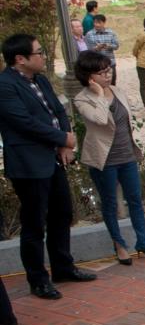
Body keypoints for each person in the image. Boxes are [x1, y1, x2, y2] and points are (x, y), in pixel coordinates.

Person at [0, 35, 95, 300]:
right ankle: (38, 279)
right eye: (39, 52)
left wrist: (66, 142)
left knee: (62, 214)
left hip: (54, 159)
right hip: (28, 165)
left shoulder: (40, 80)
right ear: (20, 59)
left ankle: (63, 267)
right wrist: (61, 138)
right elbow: (24, 123)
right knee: (34, 223)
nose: (44, 56)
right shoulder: (5, 86)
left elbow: (58, 111)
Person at [72, 51, 145, 266]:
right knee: (110, 203)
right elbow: (99, 119)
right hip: (104, 159)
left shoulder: (117, 91)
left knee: (135, 200)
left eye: (109, 69)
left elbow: (128, 120)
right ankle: (119, 245)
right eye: (101, 72)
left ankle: (144, 242)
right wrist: (98, 95)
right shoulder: (82, 98)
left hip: (127, 155)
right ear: (89, 77)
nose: (107, 75)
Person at [84, 14, 120, 84]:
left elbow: (116, 46)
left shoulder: (111, 33)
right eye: (95, 22)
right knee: (99, 83)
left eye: (99, 22)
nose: (97, 25)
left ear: (104, 23)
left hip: (110, 62)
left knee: (112, 82)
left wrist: (108, 46)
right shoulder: (89, 34)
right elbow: (87, 50)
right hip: (96, 64)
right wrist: (96, 48)